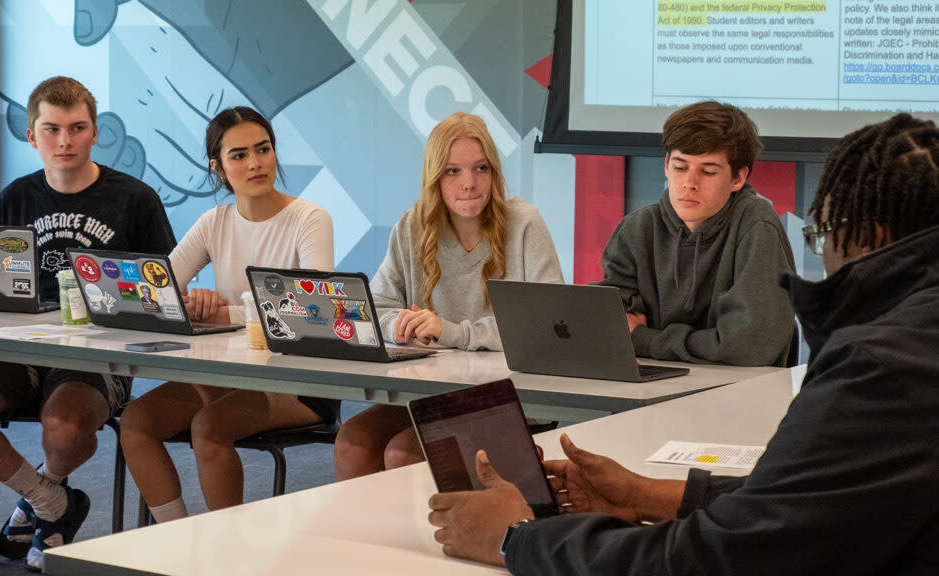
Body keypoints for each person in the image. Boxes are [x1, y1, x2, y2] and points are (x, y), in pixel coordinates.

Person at [427, 113, 939, 574]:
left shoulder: (879, 368)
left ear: (869, 234)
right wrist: (645, 494)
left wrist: (517, 538)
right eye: (679, 166)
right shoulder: (909, 350)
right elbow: (808, 498)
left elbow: (719, 555)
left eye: (822, 233)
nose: (689, 183)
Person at [0, 76, 176, 571]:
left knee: (61, 426)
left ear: (95, 132)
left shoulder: (135, 200)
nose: (65, 141)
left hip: (99, 355)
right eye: (52, 129)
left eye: (77, 128)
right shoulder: (14, 198)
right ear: (32, 135)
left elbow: (163, 289)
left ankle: (42, 497)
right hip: (17, 350)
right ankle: (49, 502)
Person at [118, 106, 338, 523]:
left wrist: (224, 314)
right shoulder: (213, 221)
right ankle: (177, 538)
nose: (255, 163)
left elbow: (311, 314)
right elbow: (153, 292)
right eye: (239, 155)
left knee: (208, 427)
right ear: (217, 168)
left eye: (264, 149)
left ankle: (228, 555)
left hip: (298, 379)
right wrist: (191, 306)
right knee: (136, 422)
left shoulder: (310, 219)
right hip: (227, 373)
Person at [334, 112, 564, 480]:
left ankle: (442, 539)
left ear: (495, 173)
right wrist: (402, 325)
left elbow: (547, 325)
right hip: (430, 392)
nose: (469, 183)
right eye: (452, 171)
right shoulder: (412, 225)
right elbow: (373, 308)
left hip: (506, 398)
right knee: (351, 442)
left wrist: (451, 331)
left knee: (402, 453)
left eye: (481, 169)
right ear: (434, 178)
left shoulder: (525, 223)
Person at [599, 101, 795, 366]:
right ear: (666, 165)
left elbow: (746, 347)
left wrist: (646, 340)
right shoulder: (637, 228)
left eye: (708, 171)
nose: (690, 184)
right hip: (656, 388)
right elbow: (610, 326)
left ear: (738, 178)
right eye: (680, 167)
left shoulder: (757, 225)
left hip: (741, 393)